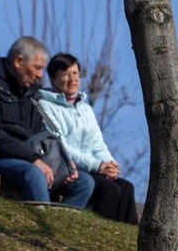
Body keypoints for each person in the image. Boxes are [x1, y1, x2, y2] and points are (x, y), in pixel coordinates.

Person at [0, 36, 94, 208]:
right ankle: (42, 221)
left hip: (27, 157)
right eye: (37, 68)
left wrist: (63, 163)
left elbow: (40, 134)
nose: (40, 74)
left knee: (84, 182)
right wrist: (33, 159)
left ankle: (60, 222)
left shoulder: (32, 93)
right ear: (19, 61)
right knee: (34, 173)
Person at [38, 53, 139, 225]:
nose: (72, 79)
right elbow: (60, 146)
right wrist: (98, 166)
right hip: (66, 167)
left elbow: (97, 143)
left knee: (126, 187)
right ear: (53, 79)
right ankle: (100, 232)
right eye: (66, 74)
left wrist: (109, 165)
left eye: (75, 73)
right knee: (110, 190)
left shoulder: (86, 109)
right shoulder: (45, 105)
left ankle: (131, 238)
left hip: (91, 167)